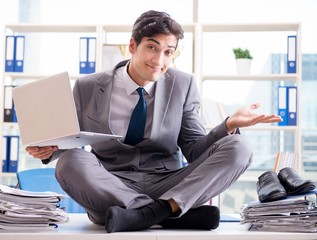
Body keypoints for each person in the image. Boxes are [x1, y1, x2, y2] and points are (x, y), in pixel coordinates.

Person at [26, 10, 282, 233]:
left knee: (240, 146)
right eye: (152, 47)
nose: (159, 61)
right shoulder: (88, 86)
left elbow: (193, 149)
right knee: (70, 161)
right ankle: (170, 213)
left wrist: (227, 125)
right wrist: (50, 148)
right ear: (133, 45)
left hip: (169, 183)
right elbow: (71, 137)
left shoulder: (183, 84)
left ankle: (149, 213)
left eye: (168, 52)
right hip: (110, 187)